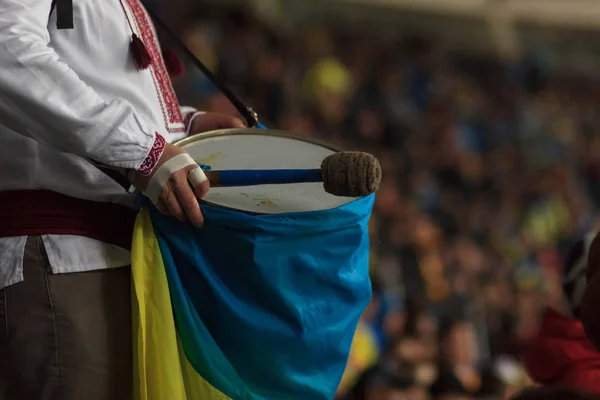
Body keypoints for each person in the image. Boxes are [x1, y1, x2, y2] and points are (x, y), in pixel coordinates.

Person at [0, 1, 244, 399]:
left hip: (109, 254)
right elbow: (5, 50)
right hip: (62, 253)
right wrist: (145, 150)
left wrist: (185, 125)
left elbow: (98, 80)